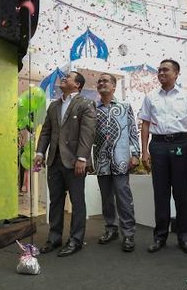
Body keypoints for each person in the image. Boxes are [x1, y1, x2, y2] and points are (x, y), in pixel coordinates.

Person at [139, 59, 187, 255]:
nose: (161, 73)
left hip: (180, 144)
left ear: (176, 73)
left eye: (165, 70)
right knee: (161, 193)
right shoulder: (150, 97)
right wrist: (144, 151)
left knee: (182, 193)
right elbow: (145, 124)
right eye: (159, 70)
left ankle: (184, 237)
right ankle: (160, 237)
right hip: (158, 145)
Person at [33, 71, 96, 257]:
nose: (63, 78)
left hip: (75, 162)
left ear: (77, 85)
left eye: (68, 77)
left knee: (77, 201)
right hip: (54, 160)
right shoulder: (54, 105)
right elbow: (46, 131)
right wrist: (39, 152)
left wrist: (82, 158)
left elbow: (87, 133)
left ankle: (76, 240)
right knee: (56, 201)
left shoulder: (86, 103)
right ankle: (54, 238)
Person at [93, 73, 140, 252]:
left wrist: (135, 154)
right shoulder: (92, 109)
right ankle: (110, 229)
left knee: (123, 196)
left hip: (121, 160)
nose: (101, 83)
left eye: (105, 81)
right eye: (99, 81)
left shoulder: (124, 106)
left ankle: (128, 234)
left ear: (113, 86)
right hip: (101, 160)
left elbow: (133, 131)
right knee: (106, 198)